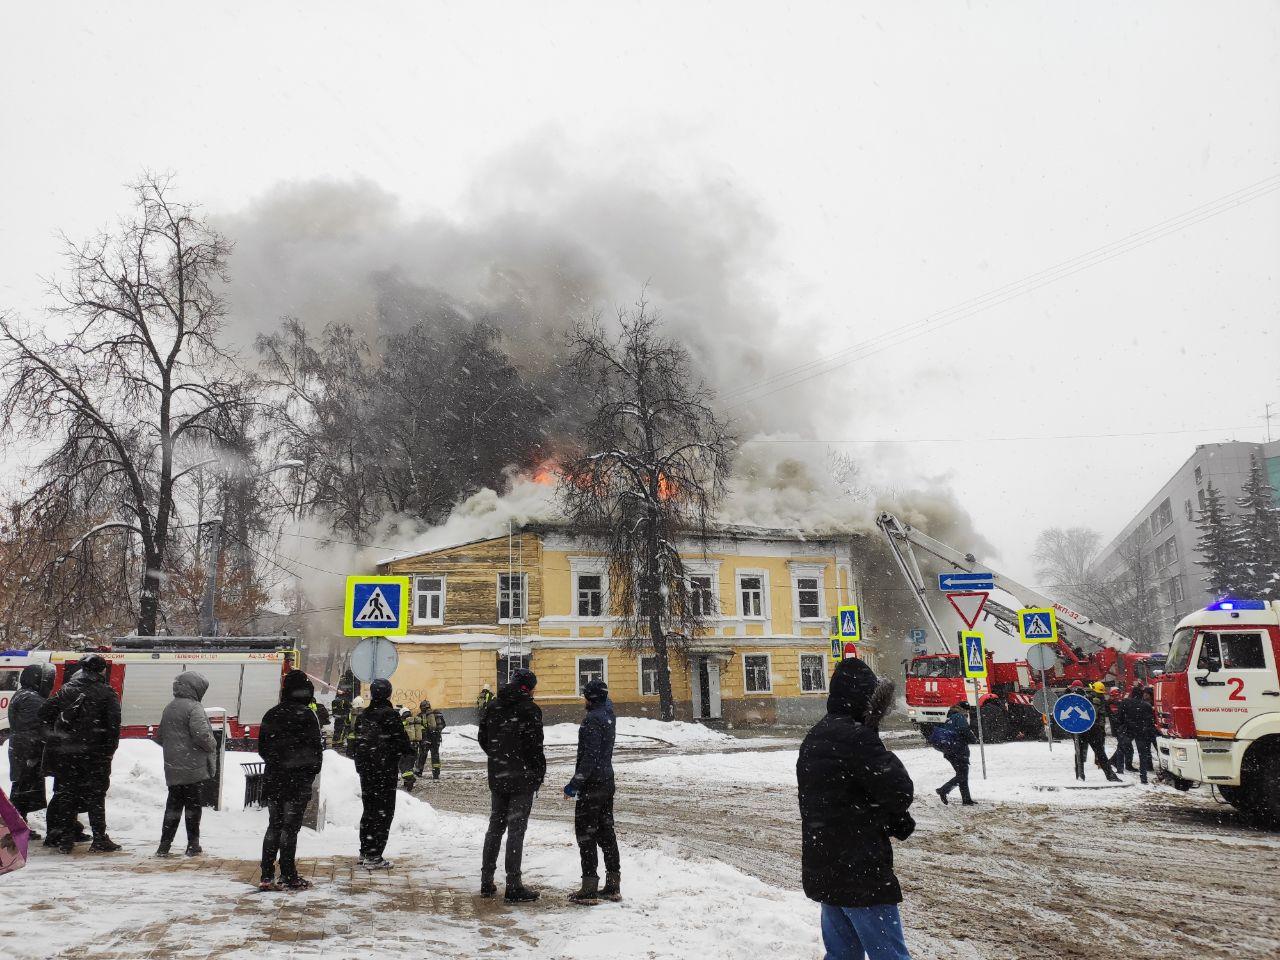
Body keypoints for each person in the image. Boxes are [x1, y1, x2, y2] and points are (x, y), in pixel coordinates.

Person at [797, 657, 915, 960]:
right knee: (890, 956)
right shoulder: (859, 739)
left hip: (825, 867)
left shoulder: (814, 737)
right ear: (866, 700)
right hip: (861, 872)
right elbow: (899, 790)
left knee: (841, 956)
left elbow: (842, 798)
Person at [38, 654, 122, 853]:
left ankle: (66, 838)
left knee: (67, 794)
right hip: (94, 756)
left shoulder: (66, 690)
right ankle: (99, 838)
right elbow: (113, 728)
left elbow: (43, 713)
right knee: (95, 796)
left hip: (67, 755)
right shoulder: (107, 693)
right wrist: (108, 752)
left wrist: (61, 734)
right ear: (102, 671)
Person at [478, 668, 545, 903]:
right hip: (522, 779)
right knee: (516, 830)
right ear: (529, 687)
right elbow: (535, 748)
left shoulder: (493, 706)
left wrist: (499, 758)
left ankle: (486, 881)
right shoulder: (529, 710)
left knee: (495, 828)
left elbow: (483, 738)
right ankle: (513, 884)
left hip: (498, 776)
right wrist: (536, 773)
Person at [258, 669, 324, 891]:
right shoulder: (307, 715)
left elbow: (263, 749)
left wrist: (278, 763)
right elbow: (316, 751)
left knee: (274, 826)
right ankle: (288, 875)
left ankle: (266, 875)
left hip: (275, 779)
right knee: (290, 828)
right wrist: (307, 773)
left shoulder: (271, 714)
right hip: (297, 782)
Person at [564, 678, 620, 904]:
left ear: (591, 698)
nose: (583, 700)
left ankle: (588, 889)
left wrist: (574, 784)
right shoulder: (608, 715)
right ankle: (613, 885)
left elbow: (589, 758)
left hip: (593, 785)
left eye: (585, 696)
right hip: (607, 781)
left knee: (585, 835)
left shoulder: (592, 721)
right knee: (606, 833)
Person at [351, 678, 412, 869]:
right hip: (384, 772)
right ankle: (374, 855)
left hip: (367, 772)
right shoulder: (390, 716)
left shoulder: (364, 715)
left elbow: (356, 744)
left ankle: (364, 850)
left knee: (369, 810)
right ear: (388, 693)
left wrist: (362, 765)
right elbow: (402, 744)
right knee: (383, 812)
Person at [155, 672, 217, 857]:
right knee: (193, 807)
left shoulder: (170, 707)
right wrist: (211, 744)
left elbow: (159, 736)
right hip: (192, 767)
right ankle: (193, 844)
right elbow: (201, 735)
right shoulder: (194, 707)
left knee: (172, 806)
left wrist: (175, 751)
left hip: (173, 766)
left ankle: (164, 845)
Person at [7, 663, 54, 839]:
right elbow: (36, 726)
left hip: (20, 748)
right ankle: (16, 827)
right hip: (28, 750)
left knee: (21, 787)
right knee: (23, 790)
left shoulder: (22, 694)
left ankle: (19, 825)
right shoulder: (32, 698)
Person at [930, 702, 976, 806]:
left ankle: (966, 799)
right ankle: (943, 790)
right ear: (963, 709)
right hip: (958, 750)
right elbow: (964, 730)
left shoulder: (949, 717)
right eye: (967, 710)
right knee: (962, 775)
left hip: (950, 751)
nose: (967, 713)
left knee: (962, 774)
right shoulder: (959, 717)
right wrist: (973, 739)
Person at [1077, 681, 1120, 782]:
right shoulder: (1101, 700)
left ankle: (1080, 775)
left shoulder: (1094, 700)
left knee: (1080, 754)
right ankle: (1110, 775)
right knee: (1100, 754)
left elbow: (1092, 716)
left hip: (1088, 729)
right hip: (1096, 731)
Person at [1122, 686, 1158, 784]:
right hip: (1143, 731)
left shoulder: (1151, 703)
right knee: (1144, 752)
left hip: (1147, 730)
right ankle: (1145, 774)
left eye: (1147, 693)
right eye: (1144, 693)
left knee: (1151, 750)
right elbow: (1148, 718)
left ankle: (1146, 772)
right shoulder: (1144, 704)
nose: (1145, 695)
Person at [415, 699, 448, 781]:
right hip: (436, 739)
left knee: (422, 755)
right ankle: (436, 774)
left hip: (425, 739)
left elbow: (418, 728)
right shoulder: (437, 713)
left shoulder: (420, 715)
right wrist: (436, 732)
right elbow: (443, 724)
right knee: (435, 756)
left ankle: (419, 771)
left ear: (421, 707)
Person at [1108, 687, 1136, 773]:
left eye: (1117, 696)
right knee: (1124, 748)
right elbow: (1117, 718)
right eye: (1115, 696)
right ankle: (1118, 763)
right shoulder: (1112, 705)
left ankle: (1116, 762)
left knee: (1124, 747)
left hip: (1121, 729)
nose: (1117, 697)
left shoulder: (1119, 704)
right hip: (1119, 730)